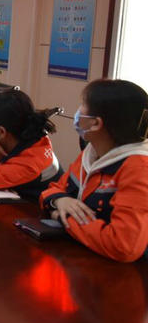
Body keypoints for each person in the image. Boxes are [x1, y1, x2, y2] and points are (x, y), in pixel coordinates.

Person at [41, 79, 148, 262]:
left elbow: (123, 246)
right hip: (83, 254)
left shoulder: (139, 168)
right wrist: (59, 200)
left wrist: (64, 218)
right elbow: (53, 189)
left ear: (96, 124)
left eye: (83, 105)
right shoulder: (92, 152)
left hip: (122, 273)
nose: (78, 112)